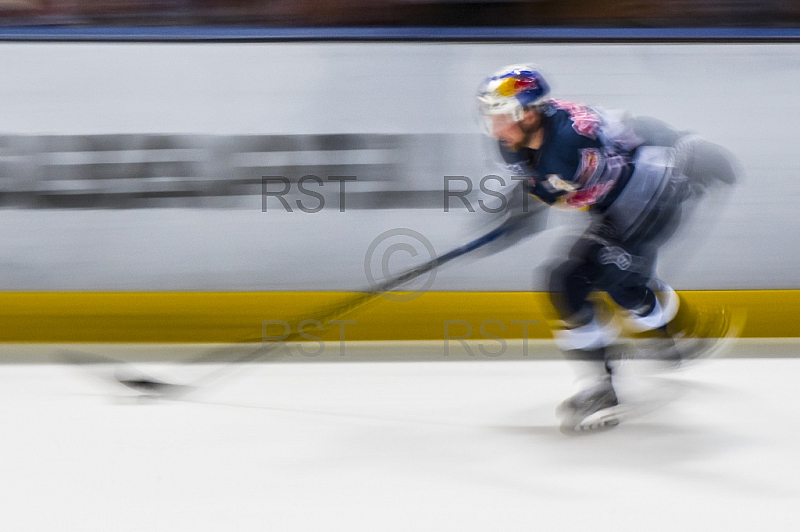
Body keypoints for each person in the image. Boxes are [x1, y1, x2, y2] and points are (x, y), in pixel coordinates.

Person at [476, 64, 739, 433]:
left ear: (531, 113)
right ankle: (676, 338)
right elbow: (547, 185)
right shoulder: (525, 141)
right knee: (623, 284)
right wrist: (520, 208)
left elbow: (550, 188)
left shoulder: (565, 147)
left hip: (655, 192)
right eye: (492, 117)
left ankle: (603, 389)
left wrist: (518, 215)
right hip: (624, 198)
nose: (496, 128)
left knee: (571, 281)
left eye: (503, 117)